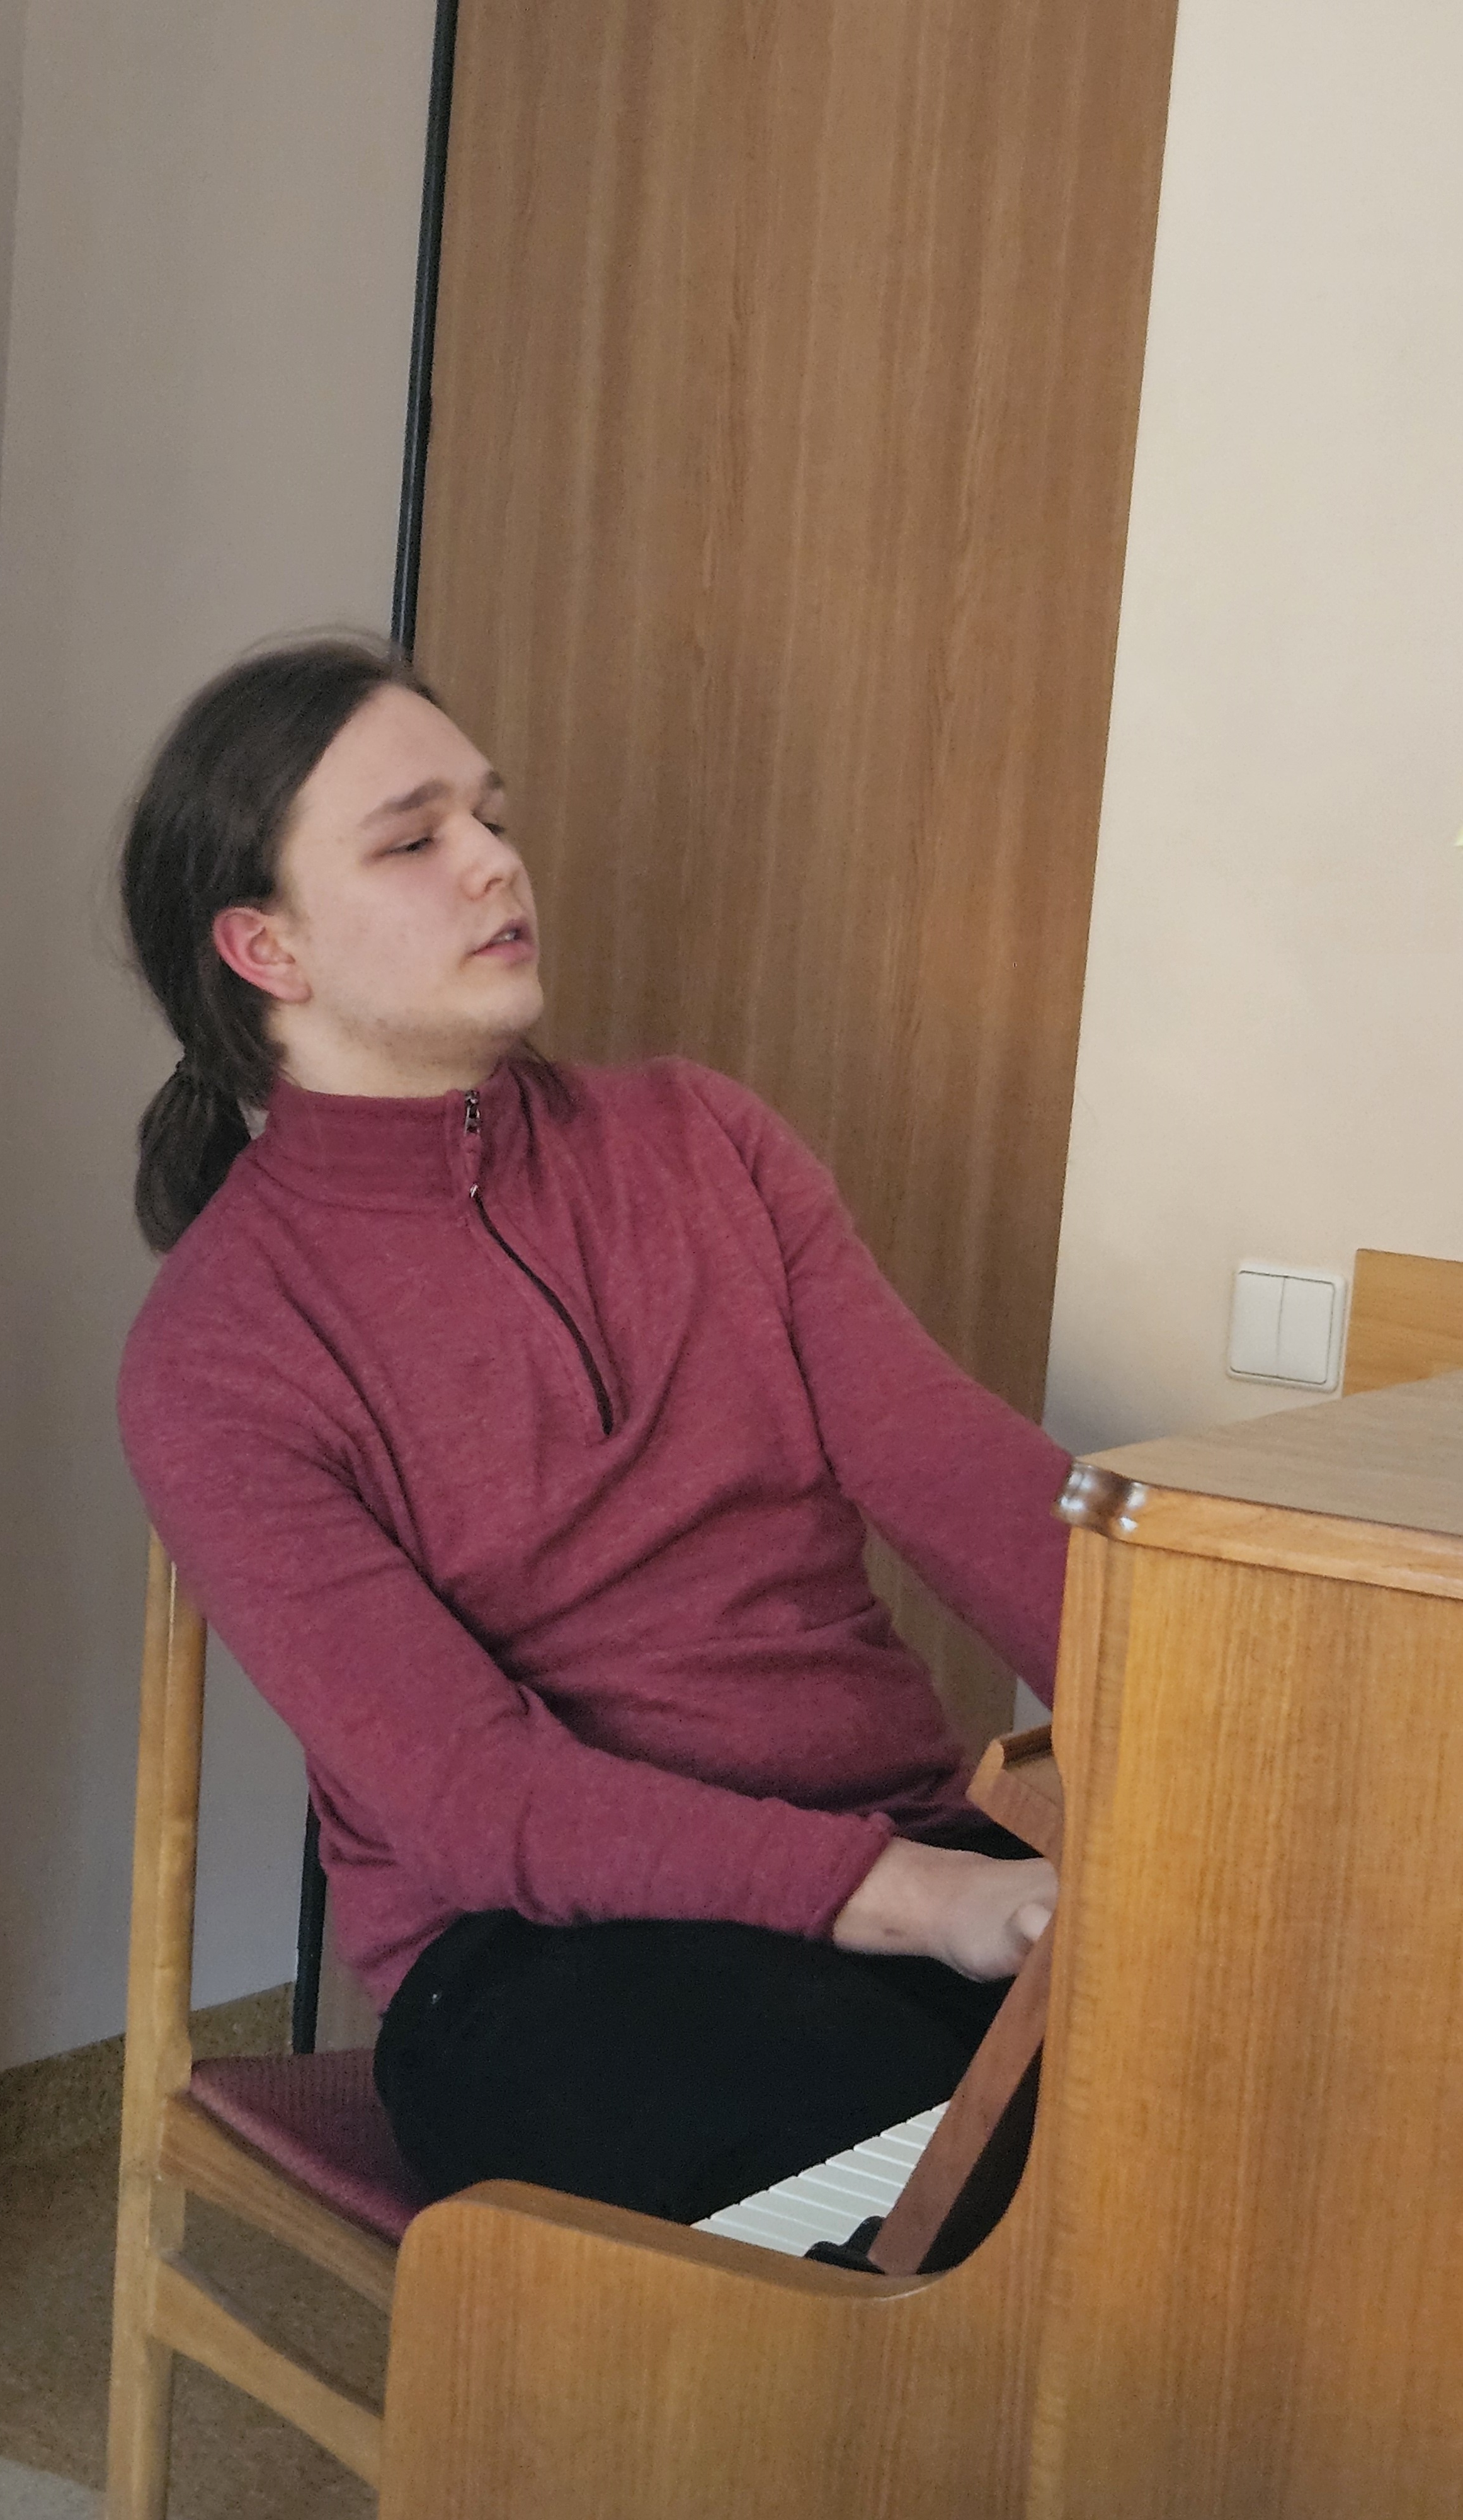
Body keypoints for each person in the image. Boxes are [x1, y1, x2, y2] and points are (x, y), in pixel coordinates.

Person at [116, 634, 1069, 2228]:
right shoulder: (218, 1349)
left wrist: (1226, 1713)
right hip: (541, 1963)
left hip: (894, 1847)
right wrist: (917, 1895)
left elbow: (963, 1475)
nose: (496, 861)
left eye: (490, 816)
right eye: (414, 840)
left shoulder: (704, 1138)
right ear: (266, 947)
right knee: (958, 2205)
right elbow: (479, 1796)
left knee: (1251, 2101)